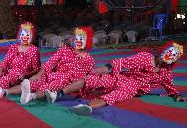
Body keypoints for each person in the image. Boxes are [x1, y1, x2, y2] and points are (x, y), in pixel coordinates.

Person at [45, 42, 187, 116]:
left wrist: (177, 95)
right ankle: (57, 94)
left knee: (113, 96)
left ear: (173, 61)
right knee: (93, 79)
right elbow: (123, 62)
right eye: (170, 52)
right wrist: (106, 68)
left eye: (174, 56)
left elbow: (170, 87)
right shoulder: (145, 57)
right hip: (121, 77)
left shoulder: (165, 73)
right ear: (164, 50)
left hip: (132, 88)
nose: (170, 55)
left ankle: (86, 108)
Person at [0, 26, 95, 104]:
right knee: (32, 83)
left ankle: (31, 96)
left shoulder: (89, 60)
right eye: (77, 38)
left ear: (88, 41)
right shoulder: (65, 50)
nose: (78, 41)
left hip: (65, 81)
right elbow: (50, 62)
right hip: (51, 75)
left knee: (49, 86)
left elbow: (84, 79)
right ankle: (4, 92)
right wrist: (38, 75)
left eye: (82, 39)